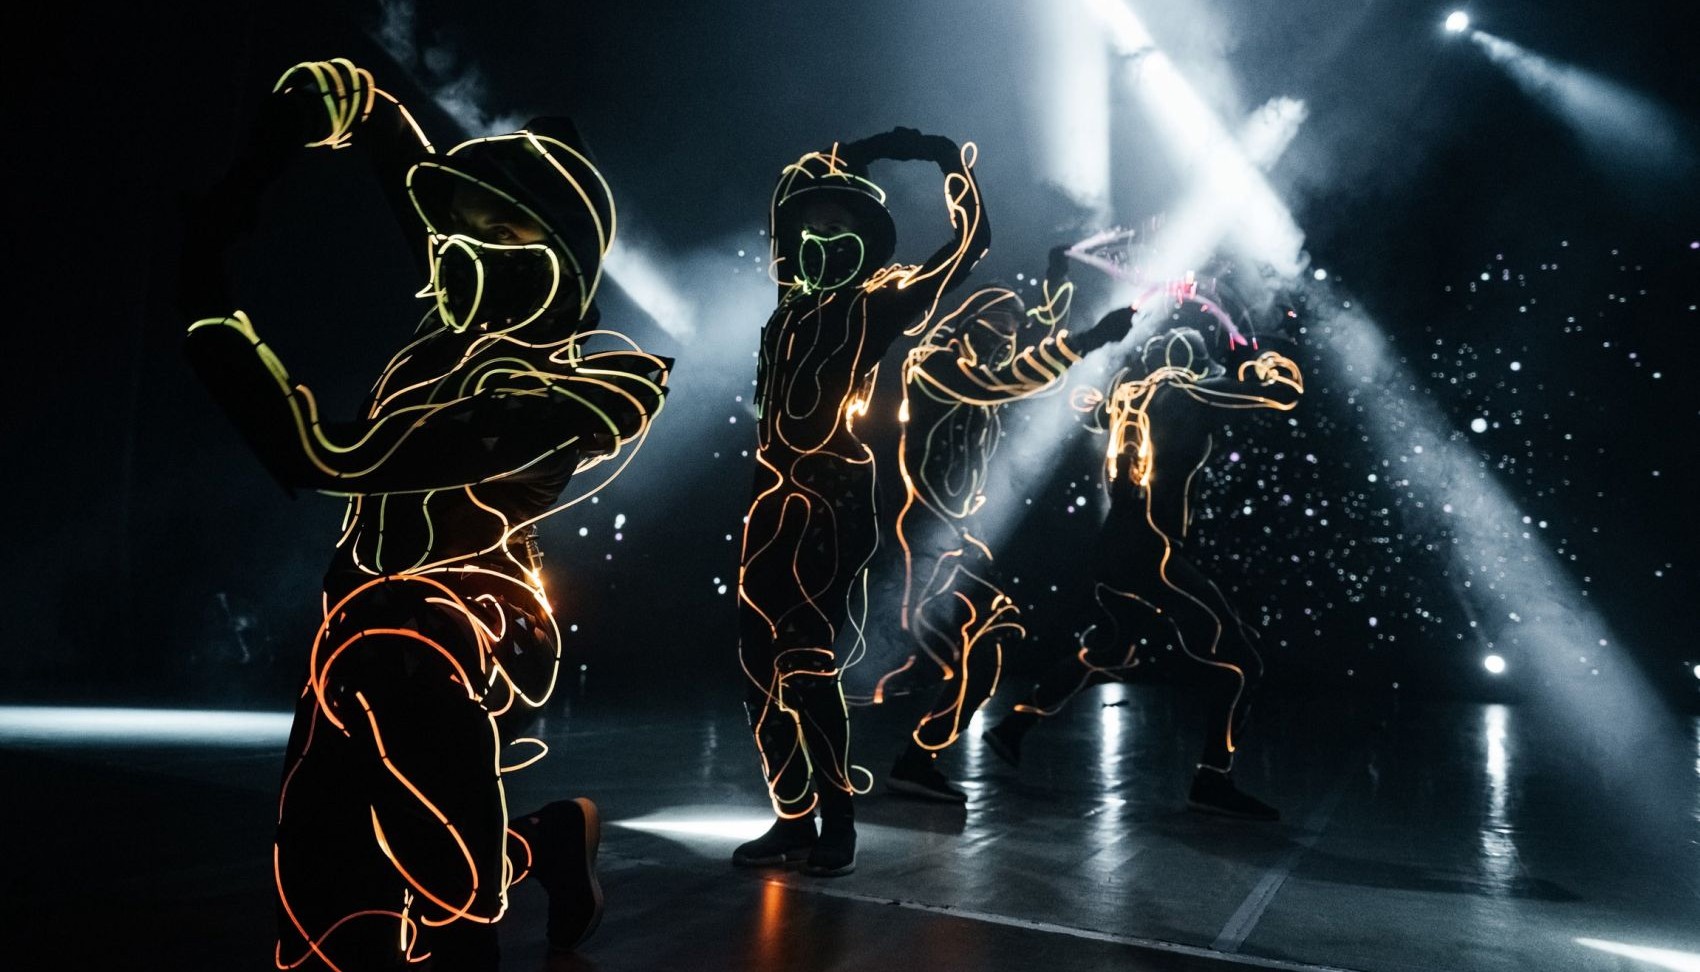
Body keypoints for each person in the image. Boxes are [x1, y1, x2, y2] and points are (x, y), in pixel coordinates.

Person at [180, 58, 670, 969]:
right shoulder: (449, 328)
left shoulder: (575, 387)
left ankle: (471, 916)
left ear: (561, 261)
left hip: (475, 619)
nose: (460, 250)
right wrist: (355, 107)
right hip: (357, 615)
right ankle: (544, 843)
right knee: (329, 903)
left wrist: (205, 308)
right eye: (457, 230)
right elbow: (409, 178)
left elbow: (326, 456)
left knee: (401, 690)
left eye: (501, 230)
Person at [734, 128, 988, 876]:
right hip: (770, 497)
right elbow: (785, 198)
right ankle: (793, 816)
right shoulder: (787, 309)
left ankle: (837, 821)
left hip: (831, 497)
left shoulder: (874, 309)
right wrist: (857, 152)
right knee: (757, 664)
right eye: (812, 225)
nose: (822, 237)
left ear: (867, 244)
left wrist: (944, 161)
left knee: (804, 659)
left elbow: (968, 247)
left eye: (840, 227)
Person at [982, 324, 1302, 821]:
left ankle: (1013, 727)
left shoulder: (1129, 396)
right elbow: (1283, 394)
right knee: (1243, 663)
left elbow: (1088, 411)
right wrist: (1270, 359)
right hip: (1152, 553)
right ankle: (1212, 780)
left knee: (1114, 649)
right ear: (1189, 363)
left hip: (1114, 548)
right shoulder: (1188, 391)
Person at [877, 246, 1137, 802]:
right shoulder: (932, 364)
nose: (1004, 341)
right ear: (967, 323)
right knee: (981, 635)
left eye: (1008, 336)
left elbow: (1035, 339)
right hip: (926, 535)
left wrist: (1057, 279)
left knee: (986, 654)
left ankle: (917, 758)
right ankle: (895, 753)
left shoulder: (986, 362)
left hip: (956, 536)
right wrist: (1091, 339)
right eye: (995, 329)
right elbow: (1005, 380)